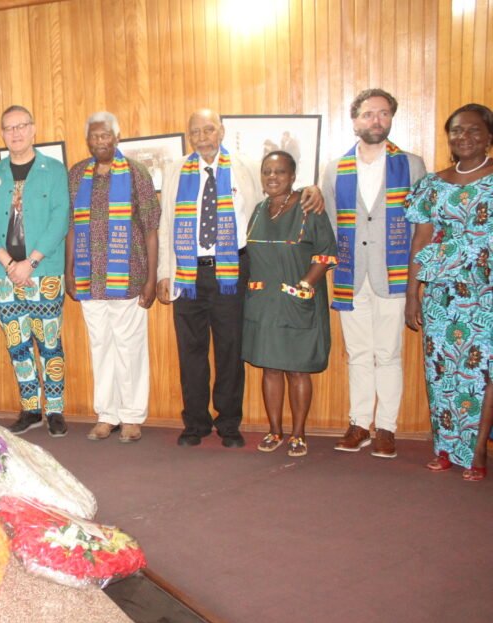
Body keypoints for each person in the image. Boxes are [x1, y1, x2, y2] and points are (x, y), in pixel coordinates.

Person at [157, 109, 324, 449]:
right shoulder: (175, 170)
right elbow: (165, 224)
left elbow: (275, 196)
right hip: (187, 274)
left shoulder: (244, 165)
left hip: (232, 272)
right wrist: (164, 271)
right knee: (191, 351)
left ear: (220, 131)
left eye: (208, 129)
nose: (203, 137)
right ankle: (196, 423)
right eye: (195, 131)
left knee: (230, 350)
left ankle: (229, 424)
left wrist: (313, 189)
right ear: (189, 136)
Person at [322, 88, 426, 458]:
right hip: (351, 275)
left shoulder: (411, 165)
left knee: (389, 353)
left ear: (391, 118)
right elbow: (331, 225)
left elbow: (421, 227)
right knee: (359, 353)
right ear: (355, 121)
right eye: (368, 114)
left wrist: (416, 281)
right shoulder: (336, 168)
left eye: (383, 114)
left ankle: (386, 428)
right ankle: (359, 423)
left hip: (393, 274)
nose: (376, 120)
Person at [405, 102, 493, 482]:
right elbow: (421, 240)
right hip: (442, 293)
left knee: (483, 372)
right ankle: (444, 447)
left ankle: (477, 453)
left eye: (474, 130)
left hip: (486, 290)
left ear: (489, 136)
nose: (464, 137)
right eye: (457, 130)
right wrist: (413, 294)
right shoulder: (433, 183)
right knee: (442, 371)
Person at [0, 105, 71, 436]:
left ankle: (55, 409)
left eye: (21, 126)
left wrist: (30, 262)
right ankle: (31, 409)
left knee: (49, 342)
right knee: (17, 345)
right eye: (8, 128)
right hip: (3, 276)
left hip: (44, 272)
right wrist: (8, 263)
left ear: (33, 129)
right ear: (2, 134)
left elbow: (60, 219)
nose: (15, 133)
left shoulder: (54, 170)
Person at [65, 111, 160, 444]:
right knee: (101, 346)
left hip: (129, 276)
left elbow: (150, 229)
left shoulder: (136, 173)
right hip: (90, 279)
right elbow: (72, 228)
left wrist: (151, 279)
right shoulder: (77, 174)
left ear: (117, 137)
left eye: (106, 136)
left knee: (129, 347)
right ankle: (107, 415)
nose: (100, 141)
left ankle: (132, 416)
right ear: (87, 140)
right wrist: (69, 271)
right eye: (94, 137)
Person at [243, 152, 337, 457]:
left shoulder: (310, 207)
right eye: (267, 171)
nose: (273, 177)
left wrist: (306, 285)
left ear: (293, 176)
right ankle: (275, 430)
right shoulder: (258, 210)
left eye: (280, 172)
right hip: (264, 302)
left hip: (298, 300)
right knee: (270, 367)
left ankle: (299, 433)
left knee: (298, 370)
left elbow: (325, 254)